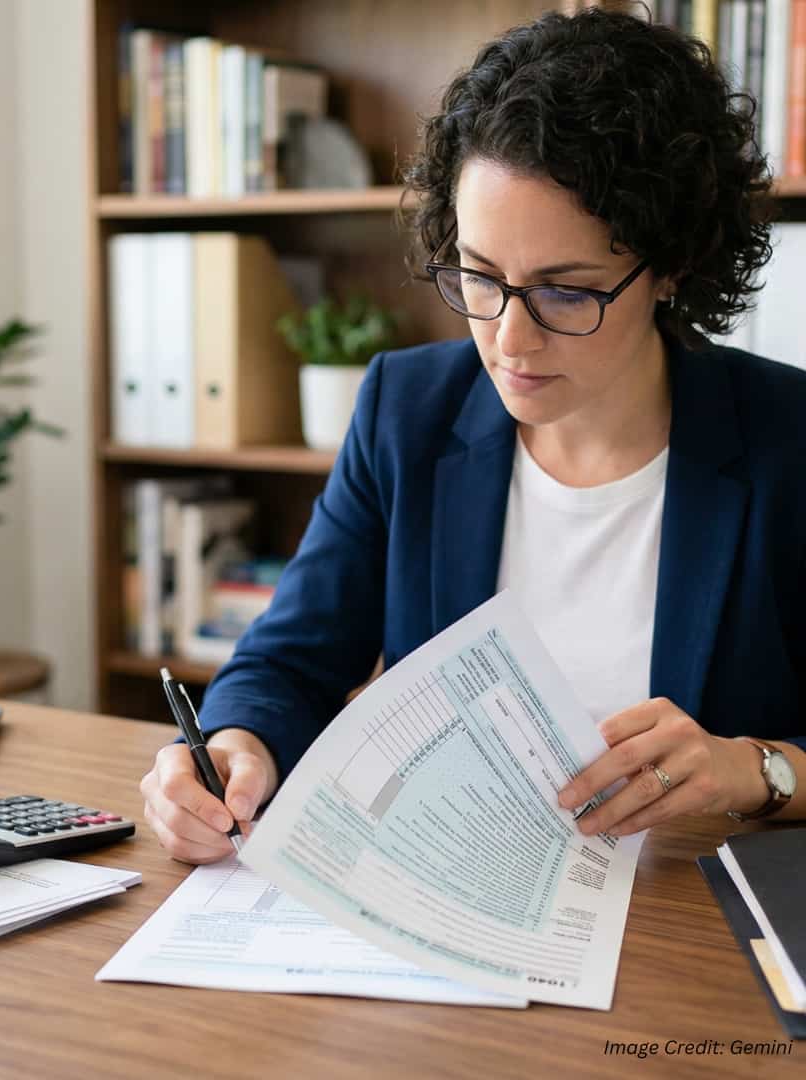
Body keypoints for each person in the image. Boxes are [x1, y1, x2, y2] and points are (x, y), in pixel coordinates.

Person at [140, 6, 806, 864]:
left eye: (567, 292)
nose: (509, 340)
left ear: (673, 266)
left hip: (695, 932)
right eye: (480, 276)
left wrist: (756, 770)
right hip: (456, 907)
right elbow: (289, 664)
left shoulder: (788, 443)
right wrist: (235, 749)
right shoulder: (406, 411)